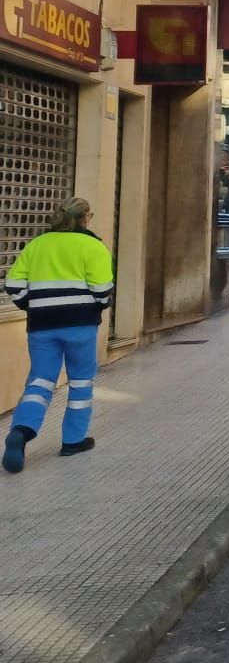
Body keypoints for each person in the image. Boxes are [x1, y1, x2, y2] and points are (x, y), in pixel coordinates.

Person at [3, 199, 114, 472]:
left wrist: (36, 306)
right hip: (81, 325)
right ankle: (73, 441)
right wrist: (92, 307)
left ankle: (21, 430)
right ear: (85, 218)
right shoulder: (93, 246)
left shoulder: (37, 245)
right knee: (80, 383)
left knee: (39, 381)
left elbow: (14, 285)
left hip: (42, 326)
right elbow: (102, 290)